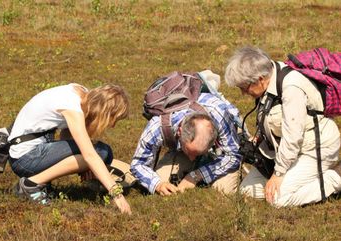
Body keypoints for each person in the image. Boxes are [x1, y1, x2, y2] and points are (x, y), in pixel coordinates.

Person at [225, 45, 341, 207]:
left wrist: (278, 174)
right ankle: (304, 178)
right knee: (247, 191)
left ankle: (334, 178)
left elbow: (293, 137)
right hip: (286, 151)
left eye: (244, 88)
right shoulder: (270, 76)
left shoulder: (291, 87)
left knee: (278, 200)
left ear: (260, 79)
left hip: (314, 149)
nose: (243, 94)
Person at [8, 83, 131, 214]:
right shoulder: (73, 108)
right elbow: (90, 155)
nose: (112, 125)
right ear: (105, 112)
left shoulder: (81, 94)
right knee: (101, 152)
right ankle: (31, 185)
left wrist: (83, 165)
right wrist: (117, 194)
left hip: (26, 151)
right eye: (114, 119)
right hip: (25, 159)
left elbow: (66, 135)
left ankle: (42, 183)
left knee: (98, 153)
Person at [130, 76, 242, 196]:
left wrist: (196, 176)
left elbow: (233, 155)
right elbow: (138, 164)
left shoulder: (219, 113)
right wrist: (157, 184)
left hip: (226, 143)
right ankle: (200, 161)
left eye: (198, 153)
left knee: (223, 191)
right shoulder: (157, 127)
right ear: (179, 132)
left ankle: (205, 161)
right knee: (162, 179)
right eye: (190, 152)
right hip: (178, 148)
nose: (192, 158)